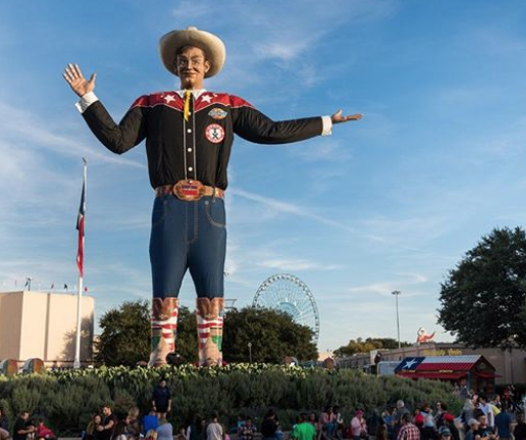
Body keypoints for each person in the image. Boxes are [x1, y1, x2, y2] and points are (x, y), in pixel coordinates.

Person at [63, 27, 362, 367]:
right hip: (167, 207)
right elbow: (118, 141)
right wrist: (89, 99)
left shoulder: (228, 105)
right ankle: (160, 350)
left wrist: (326, 122)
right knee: (164, 285)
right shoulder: (152, 103)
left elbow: (271, 130)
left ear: (207, 66)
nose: (188, 65)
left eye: (194, 60)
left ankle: (211, 350)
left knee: (211, 284)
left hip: (211, 209)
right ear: (175, 67)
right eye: (182, 61)